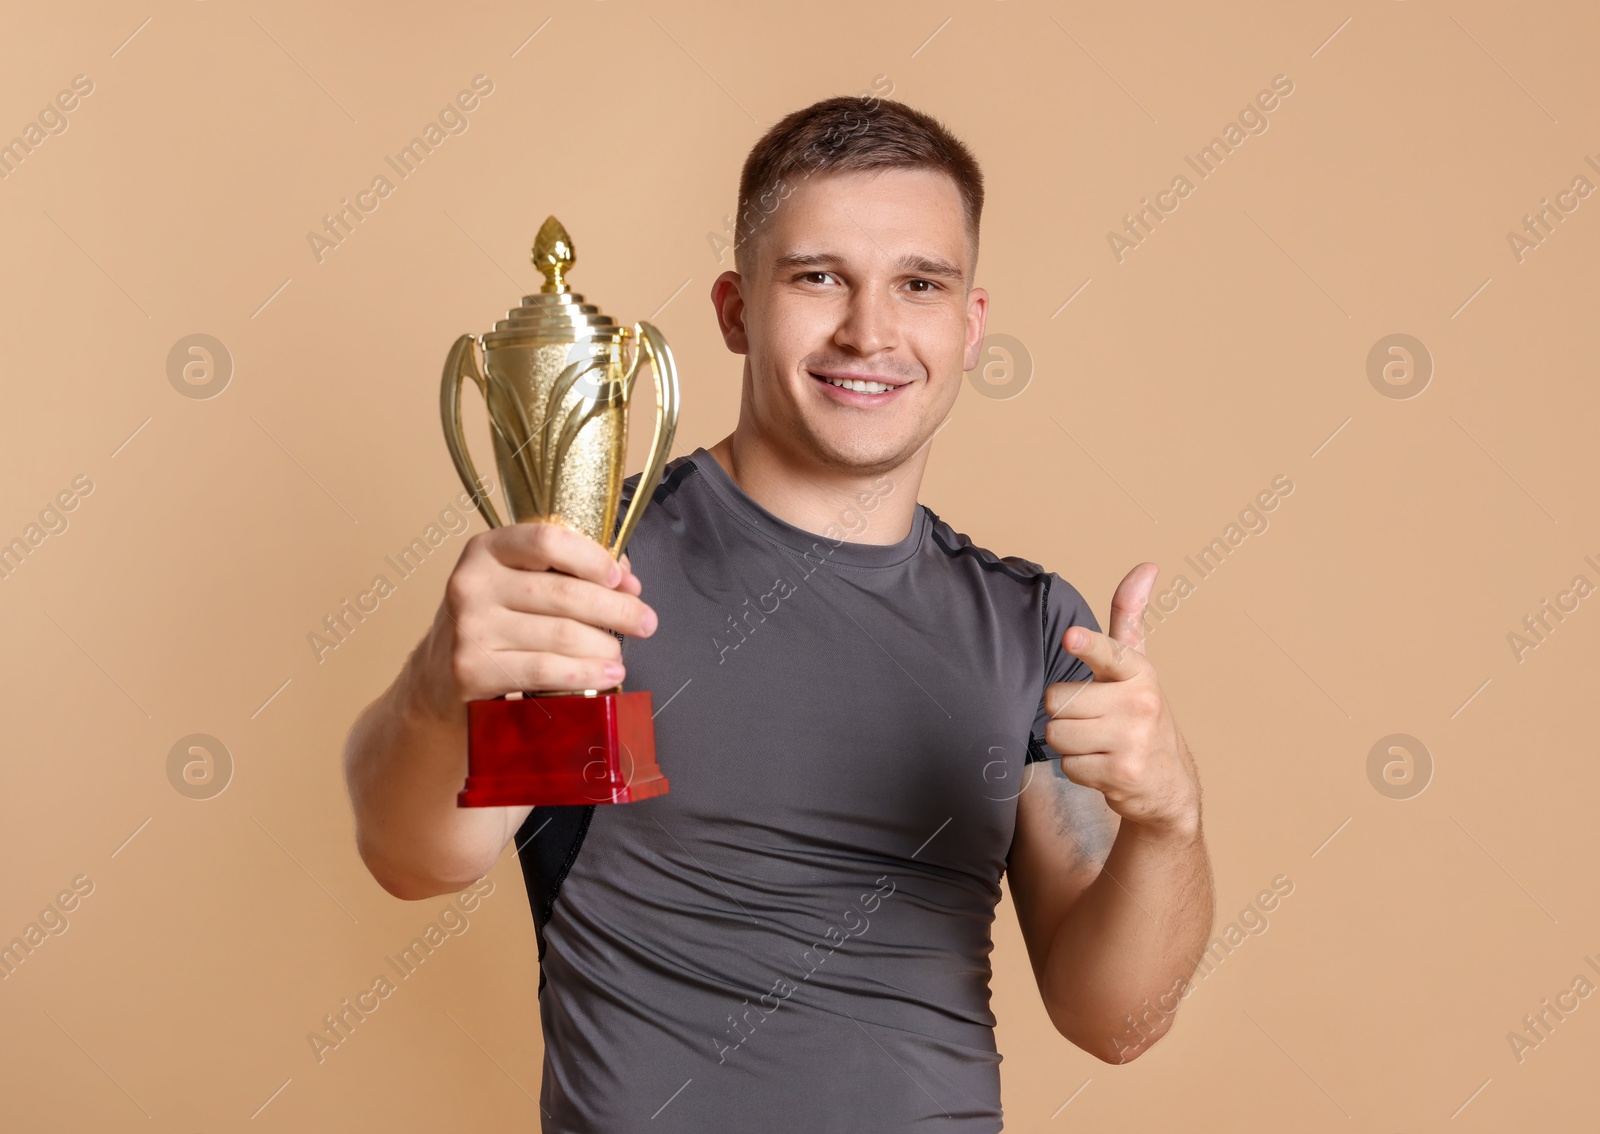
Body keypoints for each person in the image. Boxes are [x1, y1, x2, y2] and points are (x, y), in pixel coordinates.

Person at [343, 95, 1215, 1132]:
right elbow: (417, 859)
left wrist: (1168, 822)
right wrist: (444, 686)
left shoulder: (1028, 625)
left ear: (969, 325)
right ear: (734, 309)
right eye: (818, 277)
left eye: (919, 285)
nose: (870, 330)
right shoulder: (602, 574)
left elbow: (1113, 1019)